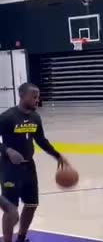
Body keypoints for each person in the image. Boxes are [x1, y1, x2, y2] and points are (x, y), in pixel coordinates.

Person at [0, 82, 69, 242]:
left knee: (31, 204)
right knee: (11, 210)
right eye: (34, 97)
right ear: (22, 95)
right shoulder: (7, 117)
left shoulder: (35, 117)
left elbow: (41, 140)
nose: (37, 100)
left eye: (38, 96)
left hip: (29, 167)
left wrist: (57, 155)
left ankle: (22, 238)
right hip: (10, 168)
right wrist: (7, 151)